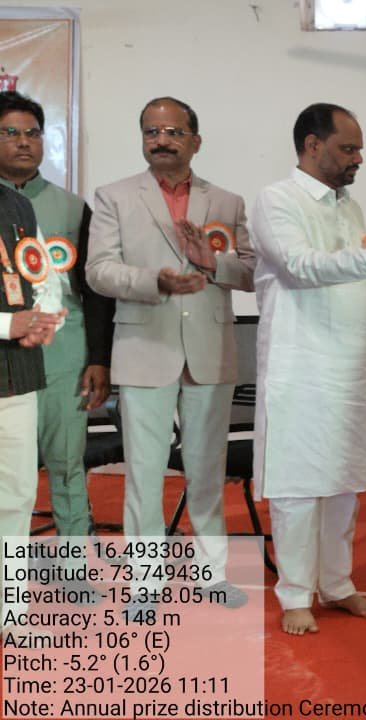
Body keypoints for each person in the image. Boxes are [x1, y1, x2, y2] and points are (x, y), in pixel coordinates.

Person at [250, 102, 366, 636]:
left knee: (343, 484)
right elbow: (300, 268)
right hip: (301, 370)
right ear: (312, 145)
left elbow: (358, 281)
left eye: (359, 149)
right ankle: (295, 594)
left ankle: (337, 584)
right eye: (348, 148)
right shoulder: (276, 200)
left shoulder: (348, 207)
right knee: (299, 486)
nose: (359, 158)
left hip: (350, 372)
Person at [86, 96, 255, 607]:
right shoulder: (114, 196)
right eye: (151, 132)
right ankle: (145, 584)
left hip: (210, 351)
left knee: (207, 469)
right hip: (143, 346)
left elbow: (253, 272)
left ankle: (211, 576)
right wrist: (153, 281)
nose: (161, 140)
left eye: (173, 132)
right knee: (143, 472)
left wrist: (214, 263)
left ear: (195, 141)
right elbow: (98, 271)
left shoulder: (226, 201)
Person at [0, 92, 113, 569]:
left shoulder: (72, 207)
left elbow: (95, 291)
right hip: (7, 360)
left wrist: (98, 358)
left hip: (65, 356)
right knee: (10, 477)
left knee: (67, 464)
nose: (24, 142)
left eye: (33, 133)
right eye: (10, 133)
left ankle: (73, 568)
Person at [0, 182, 65, 633]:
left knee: (17, 495)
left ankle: (11, 611)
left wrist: (45, 317)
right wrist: (9, 324)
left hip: (17, 375)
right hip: (11, 341)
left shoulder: (17, 204)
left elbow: (46, 277)